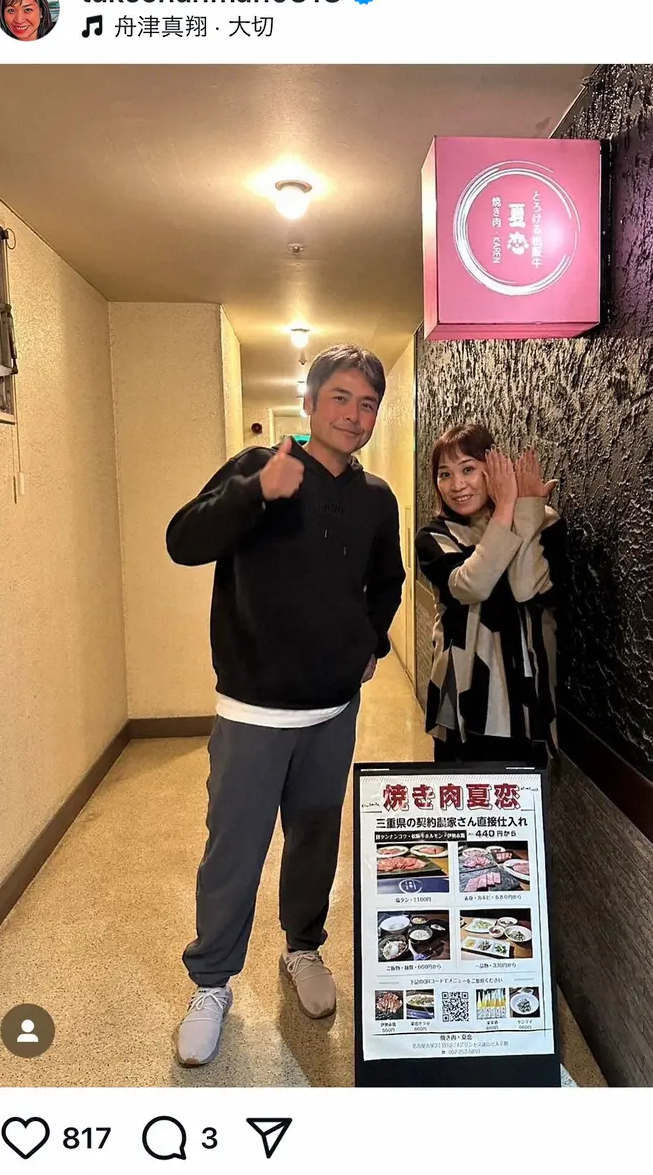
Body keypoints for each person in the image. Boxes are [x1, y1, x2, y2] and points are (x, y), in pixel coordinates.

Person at [165, 344, 404, 1067]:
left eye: (367, 404)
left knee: (314, 840)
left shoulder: (375, 498)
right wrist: (255, 492)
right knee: (234, 851)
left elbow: (387, 580)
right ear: (309, 403)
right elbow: (183, 542)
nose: (353, 415)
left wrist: (371, 641)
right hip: (252, 710)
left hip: (332, 710)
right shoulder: (258, 468)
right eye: (340, 398)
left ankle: (303, 948)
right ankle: (211, 983)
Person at [415, 423, 564, 765]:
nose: (457, 485)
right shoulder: (435, 536)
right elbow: (473, 585)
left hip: (525, 697)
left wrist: (525, 510)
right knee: (459, 793)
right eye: (445, 474)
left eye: (468, 469)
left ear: (494, 470)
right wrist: (507, 506)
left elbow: (524, 588)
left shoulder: (544, 521)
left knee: (519, 796)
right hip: (463, 698)